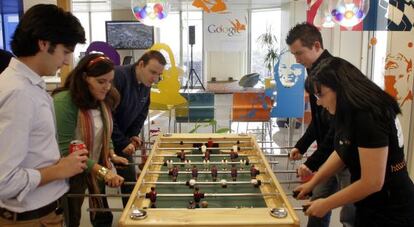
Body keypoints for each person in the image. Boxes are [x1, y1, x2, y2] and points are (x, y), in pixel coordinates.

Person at [294, 57, 414, 227]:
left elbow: (372, 182)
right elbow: (342, 151)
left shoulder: (369, 115)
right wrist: (313, 182)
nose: (319, 102)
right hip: (369, 205)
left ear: (341, 88)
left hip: (392, 207)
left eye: (320, 94)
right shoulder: (347, 111)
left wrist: (326, 204)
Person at [0, 4, 87, 226]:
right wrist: (59, 170)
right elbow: (5, 181)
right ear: (44, 43)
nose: (67, 61)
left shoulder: (28, 85)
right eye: (65, 52)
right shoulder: (19, 92)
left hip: (44, 212)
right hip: (30, 218)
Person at [286, 22, 355, 227]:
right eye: (294, 55)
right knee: (317, 204)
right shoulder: (313, 70)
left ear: (316, 45)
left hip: (348, 155)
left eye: (300, 54)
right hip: (332, 152)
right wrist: (302, 144)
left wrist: (312, 163)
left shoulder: (334, 73)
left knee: (350, 215)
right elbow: (320, 121)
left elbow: (336, 129)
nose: (297, 60)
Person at [53, 53, 127, 227]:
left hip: (94, 166)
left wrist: (111, 153)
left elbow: (104, 133)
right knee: (72, 218)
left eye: (110, 81)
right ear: (85, 78)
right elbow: (65, 150)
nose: (107, 87)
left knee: (102, 215)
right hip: (70, 172)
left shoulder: (102, 100)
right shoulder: (64, 102)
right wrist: (101, 171)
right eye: (101, 82)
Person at [111, 50, 166, 206]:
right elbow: (108, 116)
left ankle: (132, 214)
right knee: (99, 185)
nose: (155, 79)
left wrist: (133, 135)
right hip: (105, 137)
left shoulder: (146, 82)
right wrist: (122, 142)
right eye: (153, 72)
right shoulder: (119, 76)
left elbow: (142, 111)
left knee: (128, 178)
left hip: (123, 137)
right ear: (141, 64)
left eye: (159, 75)